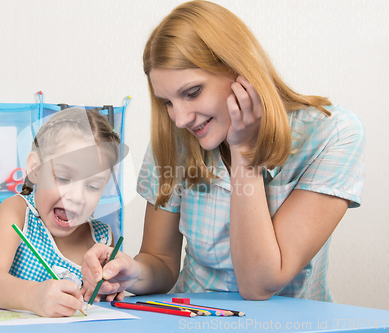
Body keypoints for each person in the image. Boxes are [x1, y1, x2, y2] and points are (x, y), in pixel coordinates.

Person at [82, 0, 365, 302]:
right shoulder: (175, 137)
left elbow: (260, 284)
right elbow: (161, 261)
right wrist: (133, 272)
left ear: (240, 72)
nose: (180, 118)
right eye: (167, 101)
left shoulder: (332, 135)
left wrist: (245, 151)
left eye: (192, 93)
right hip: (190, 319)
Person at [0, 108, 122, 317]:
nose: (77, 197)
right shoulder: (16, 212)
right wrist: (32, 295)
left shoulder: (103, 240)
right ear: (35, 169)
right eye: (62, 178)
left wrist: (110, 289)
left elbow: (98, 302)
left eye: (93, 186)